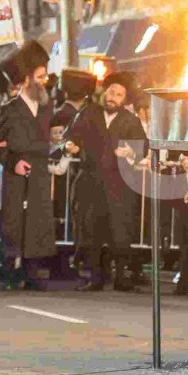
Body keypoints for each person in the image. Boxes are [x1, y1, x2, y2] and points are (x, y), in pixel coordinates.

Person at [67, 71, 148, 291]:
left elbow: (142, 149)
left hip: (119, 184)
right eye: (111, 91)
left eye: (119, 94)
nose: (113, 96)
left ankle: (121, 277)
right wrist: (70, 146)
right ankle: (95, 277)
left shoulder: (130, 121)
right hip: (91, 180)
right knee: (91, 229)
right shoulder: (88, 113)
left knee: (120, 231)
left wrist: (130, 153)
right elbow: (70, 136)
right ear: (104, 91)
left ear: (124, 99)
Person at [0, 42, 57, 290]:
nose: (44, 81)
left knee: (37, 221)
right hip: (17, 172)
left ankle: (33, 271)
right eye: (40, 77)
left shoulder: (47, 108)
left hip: (40, 171)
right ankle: (11, 271)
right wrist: (14, 162)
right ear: (27, 79)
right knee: (15, 221)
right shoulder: (10, 110)